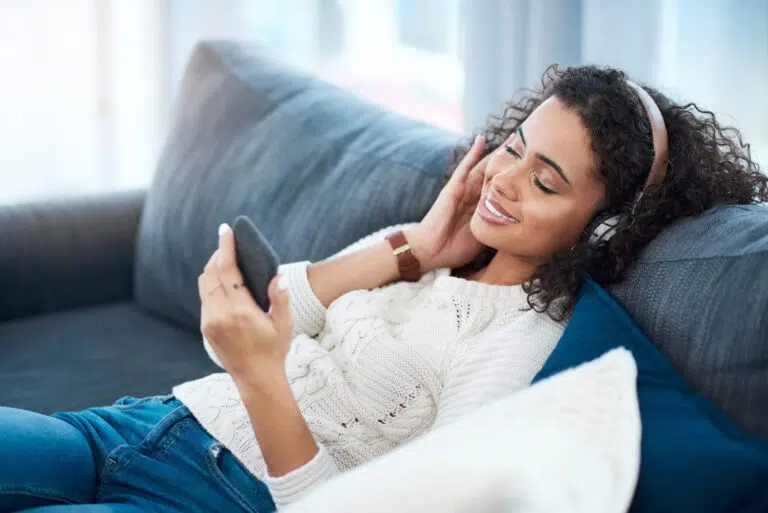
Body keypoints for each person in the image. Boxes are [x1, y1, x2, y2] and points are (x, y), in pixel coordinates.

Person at [2, 65, 766, 513]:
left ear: (600, 228)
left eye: (546, 181)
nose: (503, 180)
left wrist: (264, 375)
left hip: (221, 492)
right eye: (512, 147)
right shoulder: (422, 244)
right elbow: (258, 324)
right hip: (149, 421)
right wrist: (418, 249)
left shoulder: (521, 342)